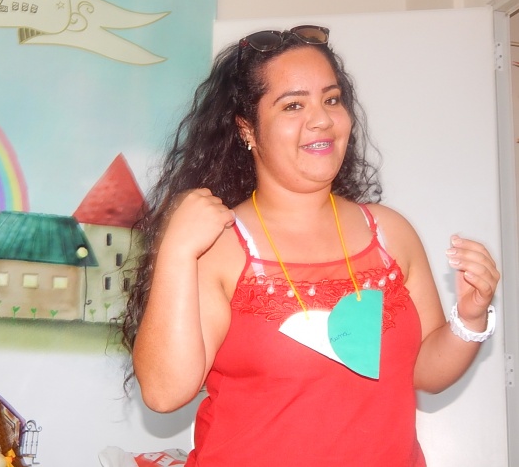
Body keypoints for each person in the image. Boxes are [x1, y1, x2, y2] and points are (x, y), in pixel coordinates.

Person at [121, 25, 500, 466]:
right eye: (293, 105)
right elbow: (164, 393)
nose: (321, 119)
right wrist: (175, 250)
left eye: (332, 99)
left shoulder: (391, 233)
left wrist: (470, 318)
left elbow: (424, 373)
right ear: (247, 128)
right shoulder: (220, 243)